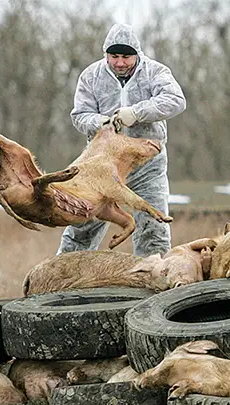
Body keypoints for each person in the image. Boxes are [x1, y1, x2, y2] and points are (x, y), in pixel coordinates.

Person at [58, 23, 186, 257]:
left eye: (126, 57)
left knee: (153, 228)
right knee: (82, 223)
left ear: (136, 54)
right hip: (100, 165)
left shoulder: (155, 72)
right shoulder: (91, 76)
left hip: (146, 165)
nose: (119, 62)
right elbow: (79, 115)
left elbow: (175, 100)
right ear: (106, 54)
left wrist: (136, 113)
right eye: (114, 56)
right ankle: (61, 279)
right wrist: (100, 123)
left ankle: (152, 281)